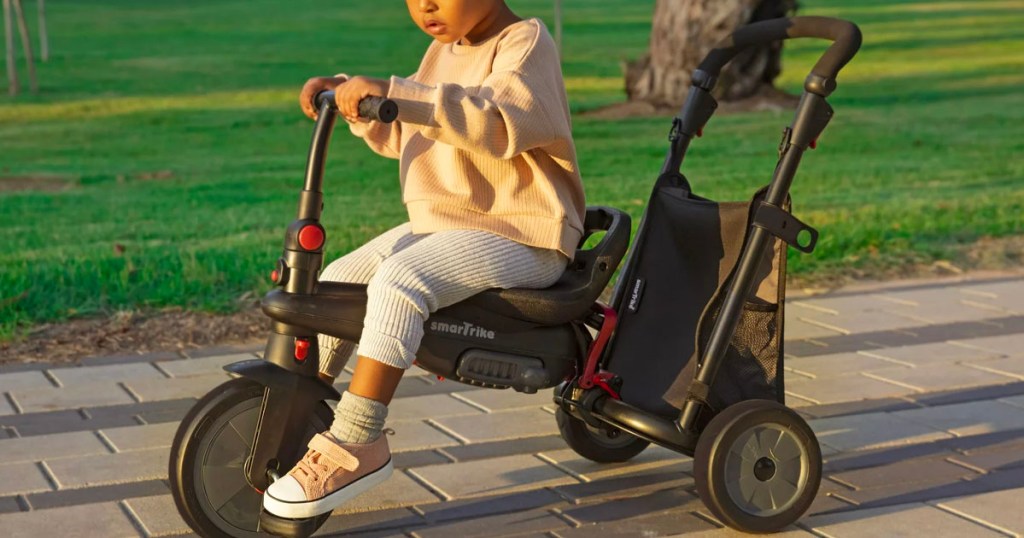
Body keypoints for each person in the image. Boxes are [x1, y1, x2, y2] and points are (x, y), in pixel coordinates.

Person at [262, 0, 586, 519]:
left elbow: (495, 121)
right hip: (451, 226)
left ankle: (357, 439)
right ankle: (299, 412)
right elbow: (412, 122)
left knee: (399, 281)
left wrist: (397, 95)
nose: (425, 6)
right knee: (338, 280)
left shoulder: (524, 45)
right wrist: (349, 96)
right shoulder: (445, 49)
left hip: (523, 231)